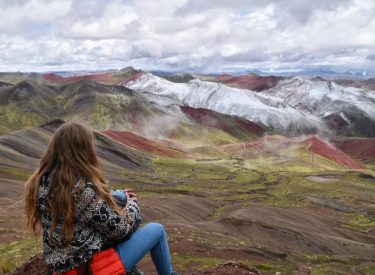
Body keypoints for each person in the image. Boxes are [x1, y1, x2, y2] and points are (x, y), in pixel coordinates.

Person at [24, 122, 177, 275]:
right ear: (83, 150)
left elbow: (89, 206)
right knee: (157, 230)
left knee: (118, 198)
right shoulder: (79, 189)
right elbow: (120, 230)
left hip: (62, 264)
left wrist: (120, 195)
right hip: (90, 267)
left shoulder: (43, 181)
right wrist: (132, 205)